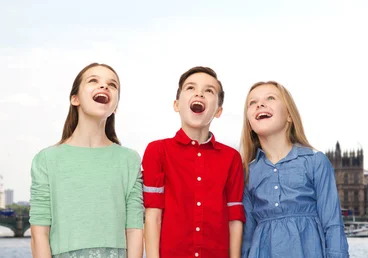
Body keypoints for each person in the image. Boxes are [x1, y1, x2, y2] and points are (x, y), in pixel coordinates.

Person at [29, 63, 144, 258]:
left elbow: (134, 230)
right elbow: (39, 234)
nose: (104, 87)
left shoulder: (129, 160)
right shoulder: (46, 160)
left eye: (112, 84)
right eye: (93, 81)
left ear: (115, 106)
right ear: (75, 99)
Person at [142, 66, 245, 258]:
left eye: (209, 91)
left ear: (218, 111)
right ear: (176, 104)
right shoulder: (157, 151)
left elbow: (235, 217)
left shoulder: (231, 158)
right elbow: (153, 215)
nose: (199, 93)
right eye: (190, 88)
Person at [240, 81, 349, 258]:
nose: (260, 104)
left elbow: (333, 224)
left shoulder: (315, 162)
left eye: (270, 98)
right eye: (252, 102)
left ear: (289, 115)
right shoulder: (247, 173)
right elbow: (247, 237)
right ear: (250, 123)